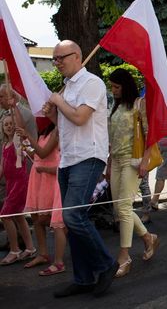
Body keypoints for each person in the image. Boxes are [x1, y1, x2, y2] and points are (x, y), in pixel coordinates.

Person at [42, 40, 117, 298]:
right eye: (54, 59)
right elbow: (65, 123)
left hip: (88, 156)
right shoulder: (67, 87)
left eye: (60, 58)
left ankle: (106, 264)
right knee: (71, 220)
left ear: (76, 56)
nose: (57, 63)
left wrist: (57, 101)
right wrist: (52, 113)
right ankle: (83, 278)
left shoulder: (92, 83)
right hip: (68, 159)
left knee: (74, 216)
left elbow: (80, 117)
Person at [107, 68, 159, 278]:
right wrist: (109, 163)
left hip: (133, 161)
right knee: (120, 209)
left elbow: (149, 134)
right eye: (112, 86)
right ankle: (148, 238)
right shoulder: (116, 106)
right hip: (116, 160)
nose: (113, 90)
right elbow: (113, 138)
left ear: (126, 86)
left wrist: (145, 161)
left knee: (124, 208)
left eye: (116, 86)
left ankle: (124, 256)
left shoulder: (139, 104)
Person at [17, 121, 67, 276]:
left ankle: (60, 258)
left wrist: (28, 136)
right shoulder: (42, 133)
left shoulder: (56, 131)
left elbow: (44, 153)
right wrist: (26, 145)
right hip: (38, 176)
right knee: (36, 218)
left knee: (51, 219)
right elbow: (37, 154)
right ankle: (43, 254)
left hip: (50, 177)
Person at [0, 115, 35, 265]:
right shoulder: (4, 144)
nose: (8, 126)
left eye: (11, 124)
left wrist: (23, 142)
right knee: (19, 216)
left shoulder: (18, 141)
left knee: (5, 215)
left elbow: (31, 152)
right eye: (5, 124)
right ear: (2, 128)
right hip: (10, 183)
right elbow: (2, 166)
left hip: (20, 182)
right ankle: (30, 248)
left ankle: (14, 250)